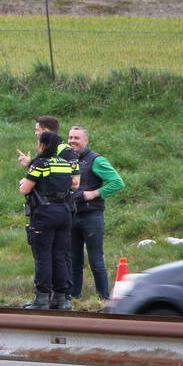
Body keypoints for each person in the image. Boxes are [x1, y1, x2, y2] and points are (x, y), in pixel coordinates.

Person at [21, 131, 78, 310]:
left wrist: (23, 181)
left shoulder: (40, 163)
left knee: (43, 255)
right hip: (65, 211)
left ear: (43, 145)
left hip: (45, 212)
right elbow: (72, 184)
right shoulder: (64, 163)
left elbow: (25, 188)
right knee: (60, 255)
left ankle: (42, 298)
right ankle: (61, 298)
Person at [67, 126, 125, 300]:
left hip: (91, 216)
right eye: (70, 138)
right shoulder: (67, 159)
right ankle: (74, 298)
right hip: (72, 215)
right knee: (73, 261)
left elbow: (117, 182)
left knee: (96, 261)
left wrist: (94, 193)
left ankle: (103, 299)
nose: (72, 141)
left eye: (76, 138)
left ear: (85, 141)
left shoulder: (96, 160)